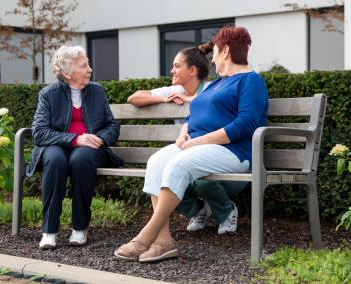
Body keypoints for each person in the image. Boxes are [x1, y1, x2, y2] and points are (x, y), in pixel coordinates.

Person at [114, 25, 269, 262]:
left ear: (225, 51)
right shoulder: (215, 84)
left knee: (179, 164)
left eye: (215, 51)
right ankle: (164, 241)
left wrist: (198, 141)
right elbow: (192, 115)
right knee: (156, 162)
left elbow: (245, 124)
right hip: (195, 145)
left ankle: (146, 235)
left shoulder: (251, 81)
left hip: (233, 152)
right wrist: (184, 133)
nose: (213, 57)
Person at [27, 45, 123, 250]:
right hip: (57, 146)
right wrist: (76, 139)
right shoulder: (48, 94)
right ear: (67, 73)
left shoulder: (97, 91)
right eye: (84, 66)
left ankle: (80, 227)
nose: (90, 69)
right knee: (56, 160)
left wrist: (99, 139)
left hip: (89, 150)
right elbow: (39, 133)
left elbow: (112, 126)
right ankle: (49, 231)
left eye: (88, 64)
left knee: (80, 160)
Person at [127, 44, 212, 107]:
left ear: (192, 70)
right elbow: (133, 98)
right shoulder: (175, 92)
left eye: (177, 66)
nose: (172, 71)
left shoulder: (211, 89)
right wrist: (164, 99)